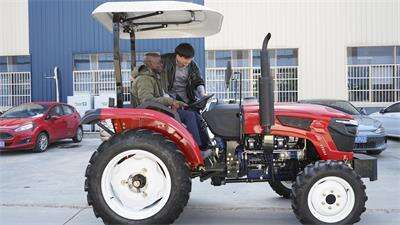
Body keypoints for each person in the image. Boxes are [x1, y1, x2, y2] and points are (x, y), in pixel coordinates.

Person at [132, 52, 209, 156]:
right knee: (189, 116)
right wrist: (169, 101)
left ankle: (205, 146)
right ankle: (196, 151)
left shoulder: (154, 77)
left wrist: (175, 102)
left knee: (194, 114)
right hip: (152, 113)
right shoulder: (144, 79)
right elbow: (147, 101)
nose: (161, 65)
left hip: (158, 110)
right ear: (149, 64)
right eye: (158, 63)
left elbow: (159, 96)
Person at [161, 43, 211, 150]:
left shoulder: (192, 66)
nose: (186, 64)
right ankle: (195, 147)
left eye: (188, 62)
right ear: (178, 56)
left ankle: (206, 146)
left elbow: (198, 81)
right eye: (184, 62)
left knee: (199, 118)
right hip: (168, 98)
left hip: (186, 98)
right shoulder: (165, 61)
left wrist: (202, 94)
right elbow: (148, 66)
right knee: (190, 117)